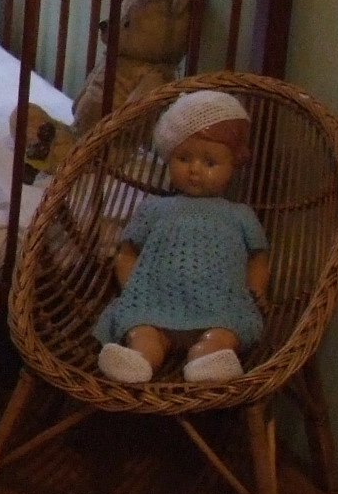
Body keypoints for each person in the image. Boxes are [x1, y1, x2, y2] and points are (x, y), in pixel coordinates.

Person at [94, 88, 268, 385]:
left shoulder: (240, 214)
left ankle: (207, 357)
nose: (195, 170)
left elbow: (258, 258)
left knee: (225, 333)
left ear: (234, 165)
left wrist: (256, 292)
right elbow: (127, 252)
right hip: (156, 301)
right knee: (144, 331)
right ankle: (139, 359)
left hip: (220, 305)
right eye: (184, 158)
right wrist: (134, 290)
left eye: (210, 163)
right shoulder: (154, 208)